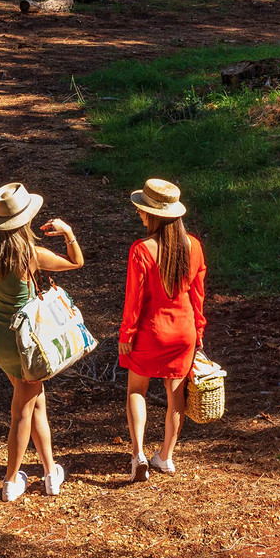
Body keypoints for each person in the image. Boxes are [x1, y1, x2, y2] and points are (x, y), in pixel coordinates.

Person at [0, 181, 85, 502]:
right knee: (21, 412)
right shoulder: (30, 254)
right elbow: (76, 261)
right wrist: (67, 232)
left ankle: (50, 472)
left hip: (3, 339)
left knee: (36, 403)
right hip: (30, 343)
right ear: (25, 220)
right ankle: (10, 481)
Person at [118, 175, 205, 482]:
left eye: (142, 209)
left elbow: (134, 298)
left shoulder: (142, 249)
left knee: (136, 390)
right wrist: (199, 332)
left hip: (150, 331)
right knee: (176, 396)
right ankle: (165, 457)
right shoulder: (194, 246)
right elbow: (198, 295)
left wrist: (127, 334)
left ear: (154, 214)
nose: (139, 213)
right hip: (184, 331)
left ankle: (138, 455)